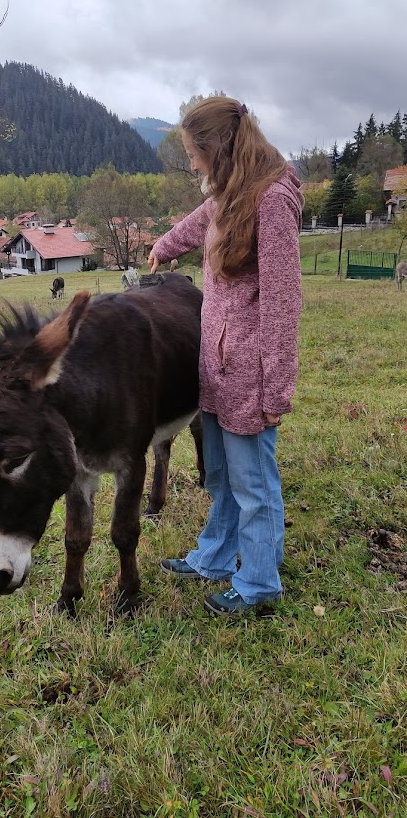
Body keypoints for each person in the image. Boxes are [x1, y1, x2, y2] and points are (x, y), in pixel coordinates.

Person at [148, 96, 303, 618]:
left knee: (254, 484)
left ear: (220, 148)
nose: (191, 164)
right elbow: (199, 221)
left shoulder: (273, 201)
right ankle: (215, 556)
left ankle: (259, 583)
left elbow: (283, 303)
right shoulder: (229, 193)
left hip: (253, 374)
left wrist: (277, 388)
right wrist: (165, 245)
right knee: (219, 475)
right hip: (216, 366)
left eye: (194, 153)